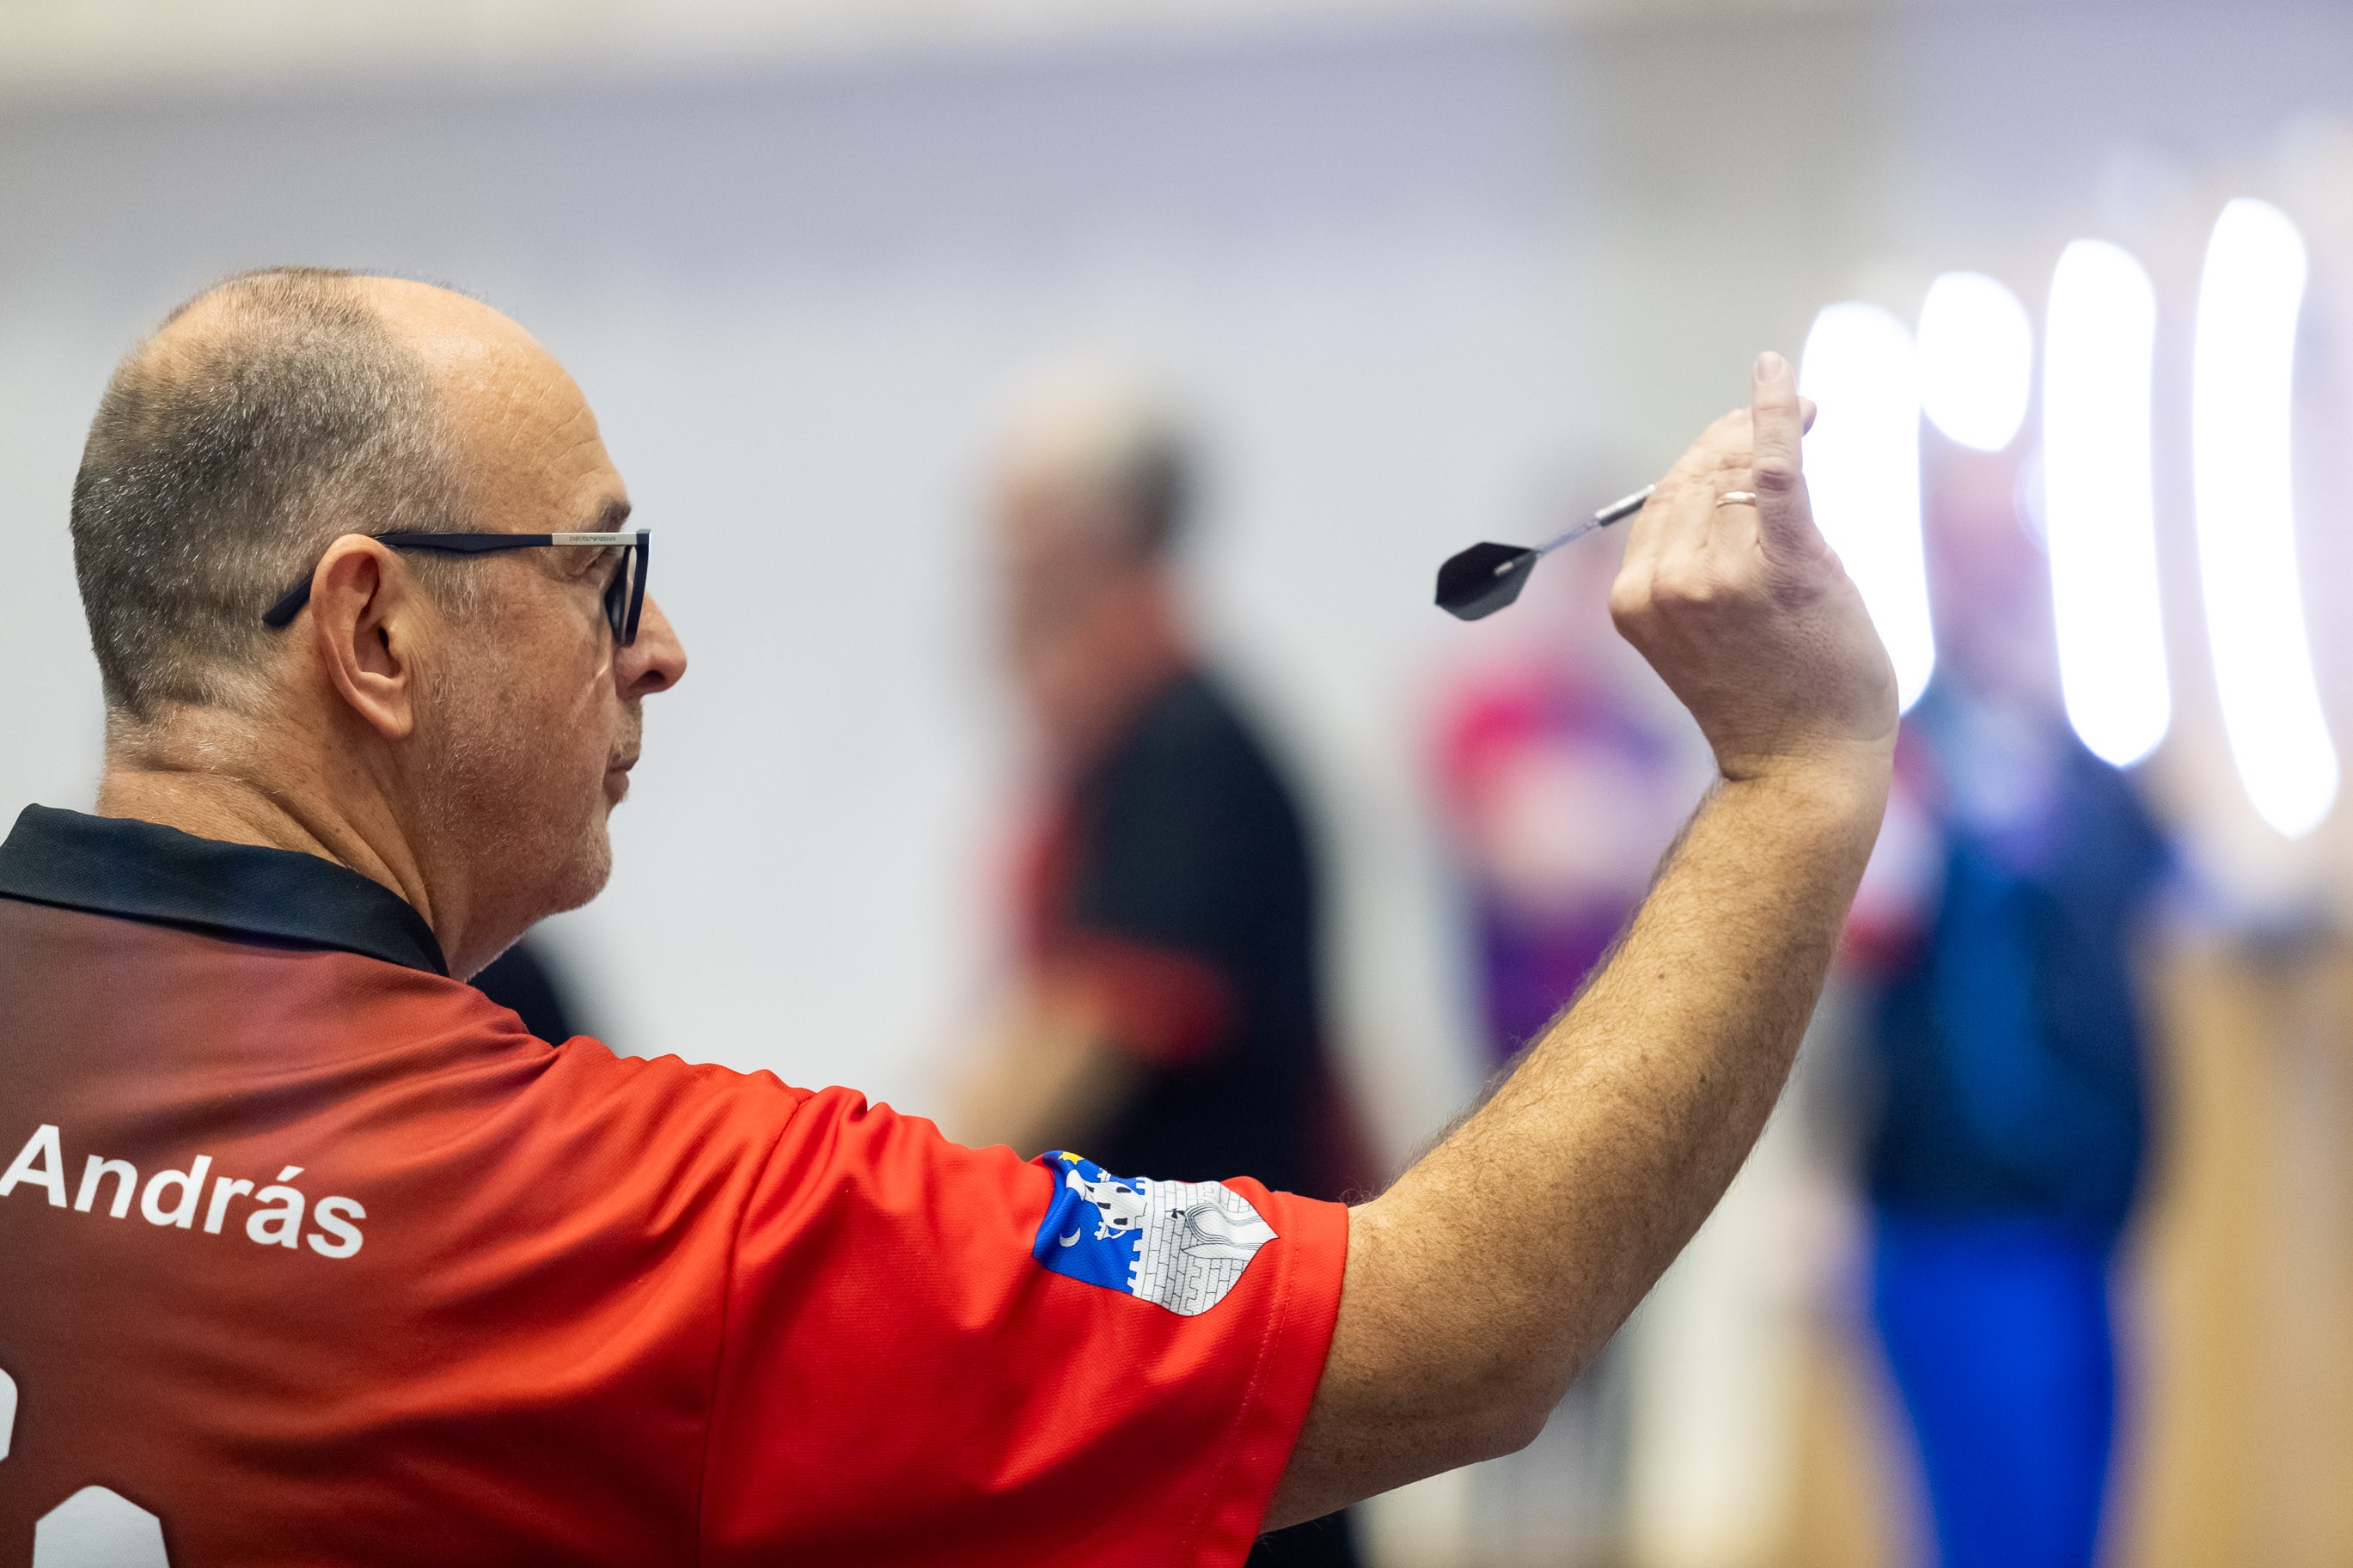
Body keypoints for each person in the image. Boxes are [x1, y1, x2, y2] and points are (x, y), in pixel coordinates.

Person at [0, 268, 1895, 1567]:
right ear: (373, 630)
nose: (660, 648)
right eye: (602, 573)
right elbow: (1457, 1326)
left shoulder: (1183, 752)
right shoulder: (642, 1228)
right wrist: (1792, 777)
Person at [953, 374, 1367, 1566]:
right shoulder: (1125, 740)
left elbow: (1083, 1031)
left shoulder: (1184, 747)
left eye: (1018, 530)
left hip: (1217, 1337)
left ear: (1097, 534)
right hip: (1174, 1324)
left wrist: (902, 1229)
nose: (996, 568)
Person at [1842, 459, 2167, 1568]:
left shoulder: (2085, 770)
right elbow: (1844, 971)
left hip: (2087, 1221)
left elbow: (2175, 888)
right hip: (1951, 1220)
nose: (2002, 572)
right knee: (1998, 1535)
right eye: (1974, 547)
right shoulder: (1894, 763)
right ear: (1938, 565)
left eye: (2014, 546)